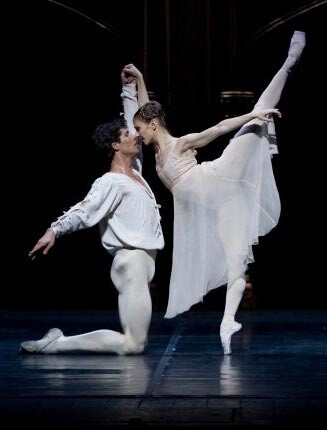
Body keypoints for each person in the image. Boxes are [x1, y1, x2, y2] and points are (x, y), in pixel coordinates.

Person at [123, 30, 306, 354]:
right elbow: (144, 108)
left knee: (257, 118)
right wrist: (138, 78)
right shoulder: (155, 150)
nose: (137, 135)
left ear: (153, 125)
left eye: (139, 129)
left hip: (222, 176)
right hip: (220, 206)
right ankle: (227, 324)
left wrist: (252, 115)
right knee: (237, 263)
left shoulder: (181, 144)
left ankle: (290, 60)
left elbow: (219, 129)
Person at [20, 69, 164, 355]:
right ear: (115, 145)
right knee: (133, 345)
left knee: (135, 344)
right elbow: (83, 210)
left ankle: (56, 344)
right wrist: (54, 229)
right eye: (128, 135)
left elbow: (132, 122)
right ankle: (58, 344)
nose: (136, 136)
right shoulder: (110, 181)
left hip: (144, 261)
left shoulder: (135, 172)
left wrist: (128, 90)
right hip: (131, 261)